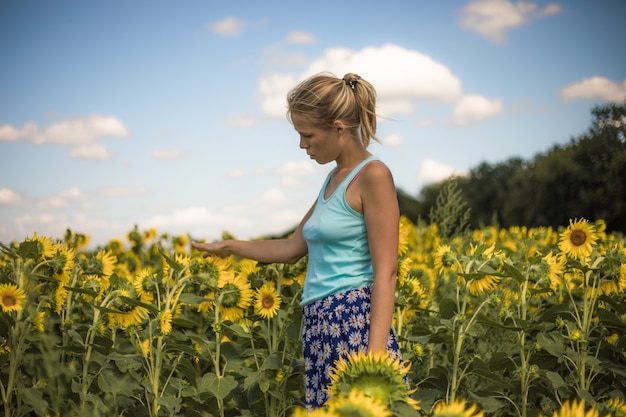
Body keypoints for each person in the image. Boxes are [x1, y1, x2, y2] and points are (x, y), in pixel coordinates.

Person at [192, 72, 404, 410]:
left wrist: (375, 358)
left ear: (338, 128)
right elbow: (291, 248)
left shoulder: (374, 175)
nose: (302, 145)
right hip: (321, 324)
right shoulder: (334, 179)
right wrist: (231, 247)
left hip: (354, 321)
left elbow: (386, 272)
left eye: (307, 135)